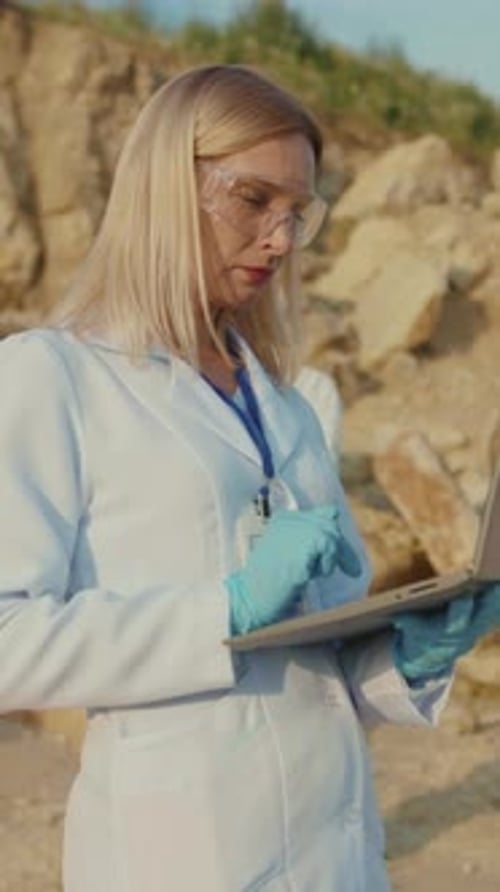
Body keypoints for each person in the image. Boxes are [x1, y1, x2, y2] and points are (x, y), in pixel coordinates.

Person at [0, 64, 499, 892]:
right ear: (165, 187)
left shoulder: (290, 409)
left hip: (336, 855)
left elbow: (320, 660)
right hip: (182, 858)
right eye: (254, 201)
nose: (279, 238)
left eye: (298, 214)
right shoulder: (54, 379)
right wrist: (220, 612)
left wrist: (409, 656)